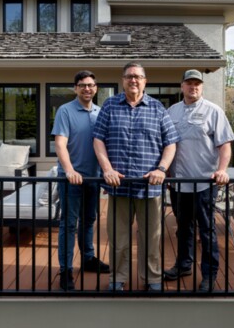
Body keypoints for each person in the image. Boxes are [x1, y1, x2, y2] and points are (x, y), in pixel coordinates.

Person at [93, 62, 179, 291]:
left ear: (145, 81)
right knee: (118, 238)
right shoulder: (110, 105)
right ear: (123, 80)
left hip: (149, 187)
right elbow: (98, 139)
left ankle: (152, 279)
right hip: (118, 185)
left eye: (138, 77)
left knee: (151, 237)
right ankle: (117, 278)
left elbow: (170, 143)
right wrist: (107, 169)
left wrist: (161, 169)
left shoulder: (157, 108)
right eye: (129, 76)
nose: (133, 80)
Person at [164, 69, 234, 292]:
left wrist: (222, 170)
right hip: (178, 183)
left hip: (204, 182)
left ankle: (209, 274)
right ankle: (184, 264)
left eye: (197, 83)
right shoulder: (171, 112)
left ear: (201, 87)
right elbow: (166, 144)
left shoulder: (213, 111)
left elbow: (225, 145)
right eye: (189, 83)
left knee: (207, 230)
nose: (193, 87)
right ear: (181, 86)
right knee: (183, 228)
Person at [52, 70, 109, 291]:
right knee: (68, 224)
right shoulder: (65, 111)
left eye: (91, 85)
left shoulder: (100, 112)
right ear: (75, 88)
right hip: (71, 180)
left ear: (96, 88)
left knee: (89, 221)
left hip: (93, 179)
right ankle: (66, 270)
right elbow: (60, 144)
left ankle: (88, 258)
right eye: (83, 85)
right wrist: (69, 171)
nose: (87, 88)